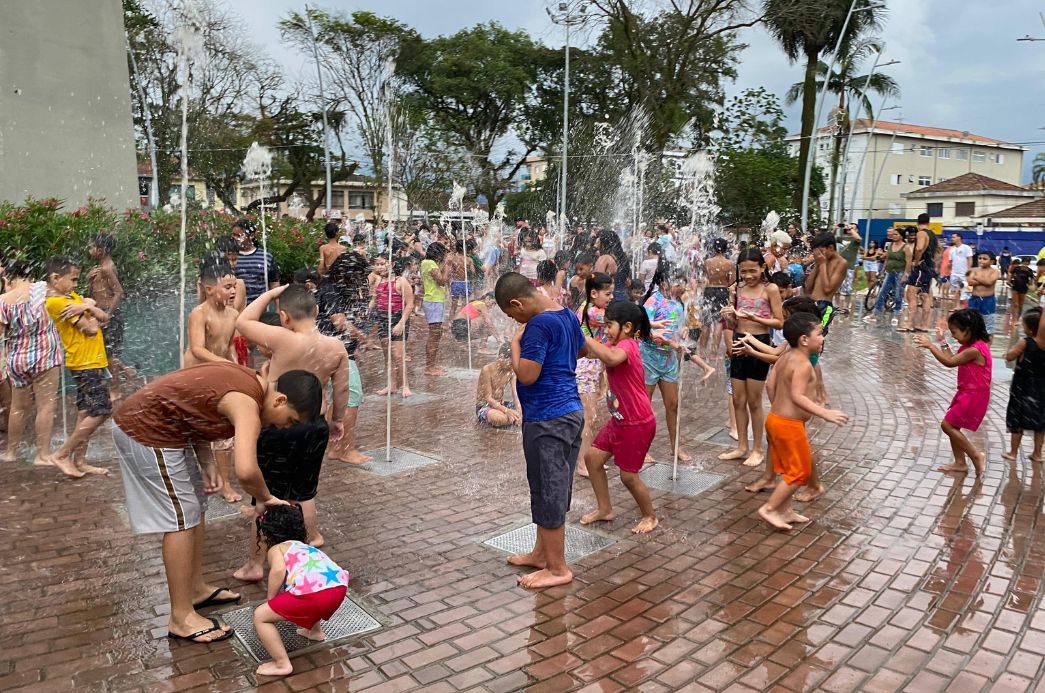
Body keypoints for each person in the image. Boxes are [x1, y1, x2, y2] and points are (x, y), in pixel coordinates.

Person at [112, 364, 322, 643]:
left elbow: (191, 409)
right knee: (180, 519)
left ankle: (195, 589)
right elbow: (246, 470)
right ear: (280, 400)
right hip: (147, 431)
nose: (284, 427)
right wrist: (265, 498)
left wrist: (207, 460)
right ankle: (181, 617)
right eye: (291, 420)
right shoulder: (247, 402)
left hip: (170, 433)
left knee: (195, 508)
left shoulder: (250, 387)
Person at [495, 272, 586, 589]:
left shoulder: (536, 326)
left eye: (511, 314)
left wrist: (515, 345)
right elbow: (579, 351)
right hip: (570, 412)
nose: (513, 319)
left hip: (548, 419)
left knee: (549, 489)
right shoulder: (566, 315)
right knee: (554, 484)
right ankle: (540, 553)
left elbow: (528, 375)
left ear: (518, 302)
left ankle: (558, 568)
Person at [757, 313, 848, 530]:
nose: (823, 337)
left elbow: (770, 384)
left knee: (790, 468)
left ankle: (785, 511)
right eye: (819, 333)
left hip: (776, 420)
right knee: (799, 473)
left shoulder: (786, 356)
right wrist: (824, 413)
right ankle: (770, 509)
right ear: (804, 340)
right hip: (788, 425)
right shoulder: (804, 364)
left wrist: (778, 406)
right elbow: (798, 396)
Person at [578, 301, 659, 534]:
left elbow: (612, 358)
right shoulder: (613, 344)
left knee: (628, 476)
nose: (606, 330)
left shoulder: (629, 346)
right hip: (619, 419)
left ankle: (649, 516)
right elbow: (590, 351)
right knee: (592, 459)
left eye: (609, 325)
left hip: (637, 423)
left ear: (627, 327)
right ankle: (605, 509)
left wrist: (584, 335)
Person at [251, 505, 348, 677]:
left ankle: (281, 664)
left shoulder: (277, 548)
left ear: (268, 533)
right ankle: (315, 632)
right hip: (338, 588)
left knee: (261, 616)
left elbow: (278, 571)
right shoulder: (305, 547)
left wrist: (270, 600)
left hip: (316, 594)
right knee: (307, 588)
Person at [44, 256, 111, 476]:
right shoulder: (57, 302)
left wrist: (86, 306)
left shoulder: (71, 298)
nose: (75, 285)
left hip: (92, 361)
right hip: (85, 363)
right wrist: (90, 308)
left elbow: (104, 316)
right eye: (72, 280)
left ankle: (79, 461)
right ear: (55, 278)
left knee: (85, 412)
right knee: (101, 411)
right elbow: (92, 328)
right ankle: (62, 453)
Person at [720, 249, 783, 468]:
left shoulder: (771, 289)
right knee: (738, 399)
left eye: (752, 270)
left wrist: (753, 316)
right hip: (739, 341)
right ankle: (742, 447)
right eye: (743, 271)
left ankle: (757, 448)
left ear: (763, 267)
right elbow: (732, 321)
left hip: (759, 342)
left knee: (755, 401)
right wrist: (729, 316)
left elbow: (779, 322)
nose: (748, 275)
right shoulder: (736, 289)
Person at [185, 257, 242, 502]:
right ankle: (212, 477)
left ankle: (224, 482)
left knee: (222, 432)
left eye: (234, 286)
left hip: (218, 373)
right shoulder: (199, 314)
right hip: (197, 376)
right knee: (200, 430)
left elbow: (227, 347)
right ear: (209, 289)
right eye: (227, 287)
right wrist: (225, 365)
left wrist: (238, 369)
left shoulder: (233, 314)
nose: (232, 291)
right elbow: (197, 349)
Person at [0, 261, 63, 468]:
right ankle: (42, 454)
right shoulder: (43, 289)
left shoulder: (2, 300)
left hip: (17, 359)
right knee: (45, 406)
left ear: (8, 278)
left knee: (18, 407)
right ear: (31, 276)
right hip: (45, 355)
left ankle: (11, 453)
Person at [914, 308, 992, 477]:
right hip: (967, 392)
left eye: (955, 332)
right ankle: (960, 463)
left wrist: (931, 345)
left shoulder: (975, 350)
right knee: (953, 426)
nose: (954, 336)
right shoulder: (969, 346)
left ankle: (976, 455)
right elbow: (952, 358)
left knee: (947, 425)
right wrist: (942, 341)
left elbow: (949, 362)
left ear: (968, 330)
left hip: (975, 394)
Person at [316, 251, 371, 465]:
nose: (360, 279)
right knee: (352, 397)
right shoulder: (332, 290)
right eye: (357, 274)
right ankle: (344, 449)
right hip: (336, 352)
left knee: (337, 400)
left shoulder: (330, 286)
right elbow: (339, 322)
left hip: (329, 350)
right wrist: (364, 338)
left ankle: (334, 446)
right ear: (347, 273)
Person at [640, 259, 693, 463]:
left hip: (669, 360)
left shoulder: (677, 304)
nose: (681, 286)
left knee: (673, 404)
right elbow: (642, 329)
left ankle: (676, 446)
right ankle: (641, 448)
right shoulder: (653, 301)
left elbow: (677, 328)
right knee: (645, 406)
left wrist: (682, 332)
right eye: (677, 282)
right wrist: (663, 338)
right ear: (663, 282)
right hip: (649, 359)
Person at [575, 272, 615, 477]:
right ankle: (582, 463)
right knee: (588, 418)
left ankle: (587, 458)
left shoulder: (592, 309)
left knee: (590, 417)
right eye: (607, 293)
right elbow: (618, 319)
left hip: (591, 369)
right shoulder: (592, 312)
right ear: (593, 293)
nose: (611, 297)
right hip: (584, 371)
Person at [86, 232, 131, 397]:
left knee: (110, 355)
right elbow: (96, 293)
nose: (89, 249)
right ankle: (127, 371)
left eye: (92, 247)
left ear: (101, 249)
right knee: (105, 352)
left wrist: (109, 316)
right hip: (102, 313)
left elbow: (119, 292)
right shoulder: (100, 268)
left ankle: (116, 390)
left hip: (109, 314)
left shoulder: (106, 268)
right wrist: (90, 281)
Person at [1002, 308, 1044, 463]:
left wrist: (1011, 350)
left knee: (1017, 418)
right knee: (1040, 421)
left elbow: (1010, 356)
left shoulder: (1025, 342)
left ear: (1030, 328)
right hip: (1041, 388)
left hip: (1022, 386)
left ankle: (1013, 452)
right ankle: (1037, 454)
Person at [369, 255, 414, 397]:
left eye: (383, 263)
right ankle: (391, 385)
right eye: (378, 264)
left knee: (398, 355)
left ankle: (405, 385)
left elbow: (410, 303)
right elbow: (375, 300)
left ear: (392, 264)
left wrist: (401, 322)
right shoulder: (378, 281)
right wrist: (368, 309)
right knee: (387, 355)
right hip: (383, 318)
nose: (381, 267)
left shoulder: (400, 281)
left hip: (397, 318)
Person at [900, 213, 940, 333]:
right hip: (929, 268)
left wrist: (916, 261)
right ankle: (924, 325)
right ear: (929, 222)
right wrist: (933, 261)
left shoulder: (921, 233)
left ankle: (909, 324)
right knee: (925, 296)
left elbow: (919, 248)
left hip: (921, 268)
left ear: (918, 222)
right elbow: (940, 250)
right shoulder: (933, 235)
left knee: (911, 293)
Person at [804, 233, 849, 334]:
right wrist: (817, 264)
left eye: (821, 251)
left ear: (831, 248)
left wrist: (823, 265)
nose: (820, 255)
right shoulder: (821, 261)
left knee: (818, 335)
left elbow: (828, 289)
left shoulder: (841, 263)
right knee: (806, 337)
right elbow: (808, 288)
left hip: (825, 306)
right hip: (812, 303)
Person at [866, 226, 911, 322]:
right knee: (882, 292)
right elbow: (887, 259)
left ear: (901, 236)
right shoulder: (891, 245)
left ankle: (896, 313)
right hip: (889, 272)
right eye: (893, 234)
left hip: (900, 272)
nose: (893, 236)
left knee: (898, 294)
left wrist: (905, 275)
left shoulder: (906, 247)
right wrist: (882, 271)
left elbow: (908, 262)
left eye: (896, 234)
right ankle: (875, 312)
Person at [420, 242, 451, 376]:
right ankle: (430, 367)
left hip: (434, 300)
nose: (445, 255)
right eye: (443, 252)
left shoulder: (426, 263)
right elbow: (441, 280)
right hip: (433, 301)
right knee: (434, 335)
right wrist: (448, 265)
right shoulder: (430, 264)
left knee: (436, 334)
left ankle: (432, 365)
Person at [233, 219, 279, 304]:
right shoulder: (231, 257)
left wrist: (278, 307)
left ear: (252, 235)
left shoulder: (266, 257)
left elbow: (274, 284)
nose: (235, 238)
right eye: (234, 235)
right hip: (236, 308)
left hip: (259, 308)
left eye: (239, 235)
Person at [475, 343, 521, 427]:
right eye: (511, 363)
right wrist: (507, 411)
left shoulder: (511, 370)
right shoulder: (487, 370)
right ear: (501, 358)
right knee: (501, 419)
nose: (512, 366)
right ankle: (510, 418)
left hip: (501, 404)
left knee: (529, 405)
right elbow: (488, 398)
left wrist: (519, 413)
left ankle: (514, 418)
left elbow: (515, 394)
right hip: (485, 407)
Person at [701, 238, 733, 353]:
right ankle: (714, 351)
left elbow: (705, 278)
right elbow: (731, 281)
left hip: (709, 290)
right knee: (719, 321)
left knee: (706, 321)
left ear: (714, 248)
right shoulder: (729, 263)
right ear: (725, 248)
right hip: (723, 290)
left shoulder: (707, 262)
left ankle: (703, 350)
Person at [966, 251, 999, 337]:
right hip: (974, 299)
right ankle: (973, 343)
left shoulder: (994, 271)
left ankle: (986, 347)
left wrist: (976, 277)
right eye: (980, 258)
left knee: (988, 324)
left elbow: (989, 282)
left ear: (991, 261)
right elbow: (970, 282)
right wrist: (984, 280)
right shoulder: (975, 269)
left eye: (984, 259)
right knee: (971, 321)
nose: (981, 261)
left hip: (988, 300)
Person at [594, 229, 632, 302]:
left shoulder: (604, 258)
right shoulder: (623, 257)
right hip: (623, 297)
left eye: (598, 240)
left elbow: (597, 280)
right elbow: (628, 282)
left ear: (603, 243)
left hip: (609, 299)